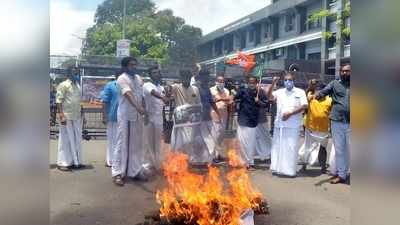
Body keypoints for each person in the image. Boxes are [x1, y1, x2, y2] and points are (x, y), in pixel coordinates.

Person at [112, 57, 147, 186]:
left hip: (137, 116)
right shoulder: (122, 78)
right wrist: (139, 108)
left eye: (135, 65)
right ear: (125, 67)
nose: (135, 67)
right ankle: (117, 173)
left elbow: (142, 95)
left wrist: (144, 110)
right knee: (122, 143)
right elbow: (128, 94)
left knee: (136, 144)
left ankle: (135, 171)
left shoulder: (138, 78)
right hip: (126, 115)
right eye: (132, 65)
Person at [267, 73, 308, 177]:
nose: (287, 82)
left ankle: (289, 171)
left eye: (290, 80)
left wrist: (290, 114)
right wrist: (273, 83)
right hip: (279, 125)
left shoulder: (300, 92)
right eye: (285, 80)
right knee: (278, 147)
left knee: (291, 148)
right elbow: (269, 97)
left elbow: (304, 105)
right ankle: (277, 168)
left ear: (294, 81)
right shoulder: (280, 92)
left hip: (293, 125)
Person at [315, 64, 350, 184]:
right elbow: (324, 91)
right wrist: (318, 95)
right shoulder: (334, 83)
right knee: (339, 149)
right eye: (343, 71)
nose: (345, 73)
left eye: (347, 71)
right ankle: (342, 175)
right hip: (337, 121)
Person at [170, 70, 204, 164]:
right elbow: (168, 89)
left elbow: (198, 104)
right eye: (184, 78)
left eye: (188, 78)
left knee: (190, 140)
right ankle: (177, 162)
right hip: (180, 120)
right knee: (178, 142)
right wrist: (167, 88)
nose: (186, 80)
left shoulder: (195, 89)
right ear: (181, 79)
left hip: (191, 121)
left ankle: (188, 160)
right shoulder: (176, 87)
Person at [234, 76, 269, 168]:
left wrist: (258, 102)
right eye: (250, 82)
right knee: (241, 142)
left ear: (256, 83)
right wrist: (233, 97)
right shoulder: (243, 91)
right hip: (242, 120)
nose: (251, 84)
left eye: (253, 82)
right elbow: (235, 97)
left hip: (252, 121)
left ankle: (249, 161)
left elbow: (266, 104)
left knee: (250, 143)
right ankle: (241, 161)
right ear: (247, 82)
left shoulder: (260, 92)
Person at [299, 79, 332, 174]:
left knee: (323, 148)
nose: (319, 92)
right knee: (307, 147)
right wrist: (311, 86)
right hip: (310, 128)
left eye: (322, 90)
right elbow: (304, 96)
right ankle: (304, 166)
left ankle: (323, 167)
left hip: (324, 129)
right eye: (317, 90)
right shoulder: (310, 97)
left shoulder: (330, 100)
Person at [56, 66, 84, 171]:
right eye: (74, 72)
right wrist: (61, 115)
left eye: (77, 72)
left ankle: (76, 161)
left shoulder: (78, 86)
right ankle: (63, 163)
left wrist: (83, 115)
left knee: (77, 139)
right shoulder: (63, 85)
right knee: (65, 140)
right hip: (66, 116)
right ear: (68, 73)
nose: (76, 74)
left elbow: (79, 102)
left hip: (77, 116)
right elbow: (59, 101)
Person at [142, 66, 168, 171]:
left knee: (158, 142)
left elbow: (162, 104)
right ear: (150, 75)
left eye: (158, 72)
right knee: (148, 142)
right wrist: (163, 97)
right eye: (154, 73)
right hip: (149, 117)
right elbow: (153, 92)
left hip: (159, 119)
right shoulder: (147, 85)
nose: (156, 74)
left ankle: (157, 163)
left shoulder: (161, 88)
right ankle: (147, 163)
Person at [197, 69, 222, 163]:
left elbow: (211, 102)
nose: (207, 78)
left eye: (208, 76)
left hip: (208, 117)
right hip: (199, 119)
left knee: (213, 138)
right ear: (200, 77)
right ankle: (203, 160)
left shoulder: (207, 88)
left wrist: (218, 113)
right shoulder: (196, 88)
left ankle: (208, 159)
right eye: (205, 76)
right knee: (204, 140)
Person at [210, 75, 233, 161]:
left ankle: (218, 154)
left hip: (224, 115)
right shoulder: (211, 90)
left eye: (223, 81)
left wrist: (225, 100)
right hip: (214, 114)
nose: (221, 83)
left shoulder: (226, 90)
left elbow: (230, 101)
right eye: (219, 81)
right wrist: (226, 99)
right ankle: (213, 156)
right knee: (215, 135)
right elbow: (216, 99)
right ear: (216, 81)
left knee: (221, 135)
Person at [100, 76, 119, 167]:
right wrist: (104, 116)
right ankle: (110, 160)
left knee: (120, 141)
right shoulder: (110, 85)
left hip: (124, 118)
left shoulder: (128, 85)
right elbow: (104, 102)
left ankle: (119, 159)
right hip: (112, 117)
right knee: (112, 140)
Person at [254, 84, 272, 163]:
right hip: (253, 120)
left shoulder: (262, 93)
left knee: (265, 137)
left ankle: (268, 154)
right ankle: (258, 155)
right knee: (256, 138)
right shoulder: (249, 92)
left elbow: (266, 104)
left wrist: (259, 102)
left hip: (262, 119)